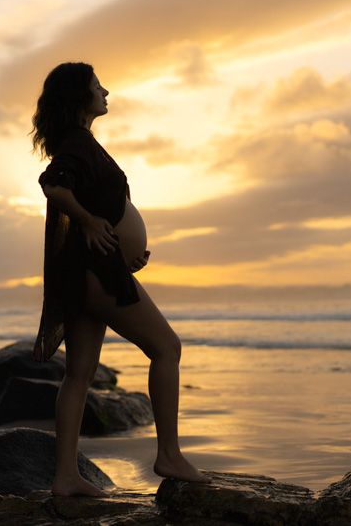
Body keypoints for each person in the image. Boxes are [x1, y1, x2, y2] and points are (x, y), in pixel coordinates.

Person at [30, 62, 211, 497]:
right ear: (80, 97)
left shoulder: (80, 142)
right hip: (97, 273)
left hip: (90, 271)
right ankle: (168, 454)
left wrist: (125, 248)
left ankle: (66, 477)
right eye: (97, 87)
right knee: (167, 348)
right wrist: (91, 222)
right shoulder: (77, 143)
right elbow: (52, 184)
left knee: (79, 375)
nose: (106, 91)